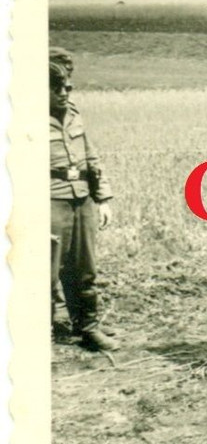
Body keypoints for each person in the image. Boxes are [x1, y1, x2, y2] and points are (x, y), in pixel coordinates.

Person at [50, 47, 119, 351]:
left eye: (68, 86)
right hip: (50, 200)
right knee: (45, 271)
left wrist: (102, 198)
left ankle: (88, 326)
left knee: (84, 268)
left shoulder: (73, 113)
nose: (64, 92)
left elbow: (91, 157)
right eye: (57, 87)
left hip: (82, 198)